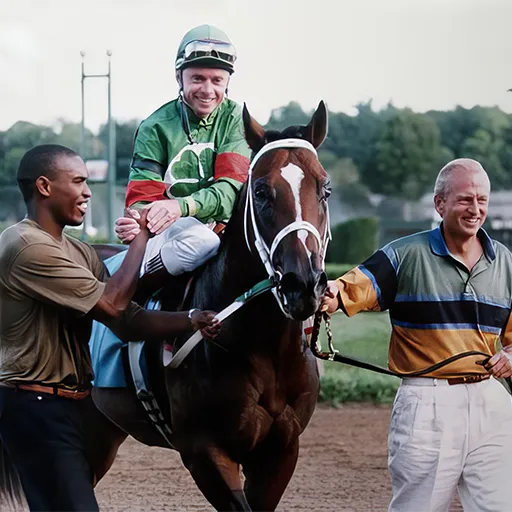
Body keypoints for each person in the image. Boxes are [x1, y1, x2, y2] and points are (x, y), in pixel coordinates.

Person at [0, 144, 220, 512]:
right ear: (44, 186)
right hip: (33, 405)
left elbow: (126, 321)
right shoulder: (25, 246)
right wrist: (141, 238)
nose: (88, 192)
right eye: (78, 182)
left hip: (69, 404)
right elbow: (113, 302)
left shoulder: (77, 251)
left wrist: (191, 319)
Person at [320, 158, 512, 511]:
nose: (475, 209)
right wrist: (327, 293)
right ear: (440, 204)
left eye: (481, 200)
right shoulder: (403, 254)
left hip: (491, 403)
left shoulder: (505, 262)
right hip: (428, 406)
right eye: (465, 199)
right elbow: (349, 290)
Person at [115, 24, 251, 290]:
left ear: (227, 82)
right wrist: (137, 222)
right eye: (197, 79)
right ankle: (134, 294)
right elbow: (143, 198)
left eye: (217, 80)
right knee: (201, 241)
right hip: (174, 234)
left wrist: (180, 206)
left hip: (228, 232)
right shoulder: (154, 126)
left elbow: (228, 193)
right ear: (179, 78)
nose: (207, 90)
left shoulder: (237, 118)